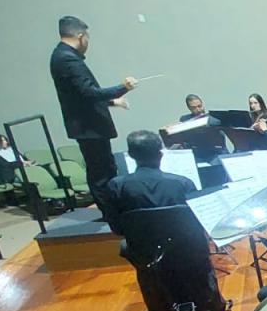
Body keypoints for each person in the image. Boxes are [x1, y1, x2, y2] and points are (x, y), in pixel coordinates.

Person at [48, 15, 137, 222]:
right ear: (81, 36)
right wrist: (123, 88)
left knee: (105, 169)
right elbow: (88, 93)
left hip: (87, 126)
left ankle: (113, 212)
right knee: (101, 173)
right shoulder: (68, 59)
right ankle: (111, 215)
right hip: (89, 127)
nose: (88, 42)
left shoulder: (62, 55)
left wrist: (113, 102)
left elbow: (79, 95)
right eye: (87, 37)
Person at [106, 129, 196, 231]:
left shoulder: (116, 186)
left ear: (131, 155)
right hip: (182, 241)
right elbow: (196, 224)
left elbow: (117, 228)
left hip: (139, 241)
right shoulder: (184, 183)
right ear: (160, 154)